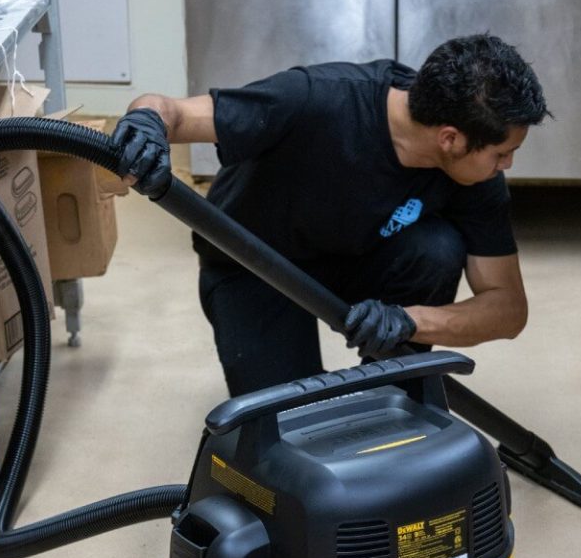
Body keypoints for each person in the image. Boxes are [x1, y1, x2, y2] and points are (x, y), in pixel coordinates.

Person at [111, 33, 550, 395]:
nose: (507, 164)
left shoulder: (475, 174)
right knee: (291, 423)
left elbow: (508, 308)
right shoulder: (317, 98)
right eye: (502, 153)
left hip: (361, 254)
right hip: (256, 264)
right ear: (450, 139)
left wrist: (409, 322)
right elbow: (170, 111)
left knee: (436, 249)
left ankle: (391, 392)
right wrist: (147, 124)